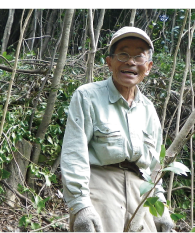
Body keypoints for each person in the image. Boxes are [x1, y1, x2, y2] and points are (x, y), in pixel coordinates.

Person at [61, 26, 174, 233]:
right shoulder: (87, 96)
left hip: (141, 196)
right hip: (100, 187)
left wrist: (161, 209)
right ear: (109, 62)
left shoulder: (149, 110)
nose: (130, 62)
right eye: (123, 54)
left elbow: (155, 168)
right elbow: (74, 153)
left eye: (138, 56)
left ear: (148, 67)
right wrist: (81, 206)